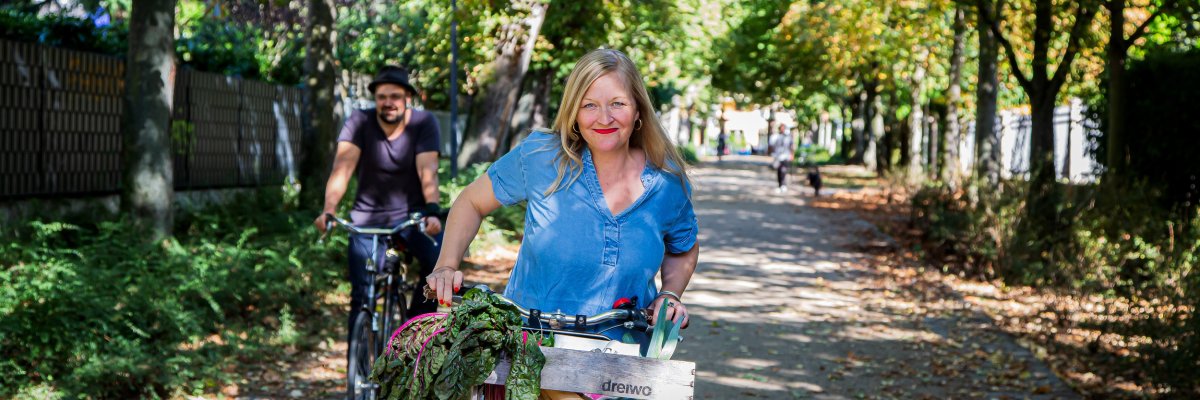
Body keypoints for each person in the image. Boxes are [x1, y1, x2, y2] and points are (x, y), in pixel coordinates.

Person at [426, 48, 699, 339]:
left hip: (625, 360)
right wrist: (445, 265)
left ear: (638, 110)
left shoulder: (667, 181)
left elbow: (683, 247)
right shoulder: (542, 157)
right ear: (574, 113)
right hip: (528, 352)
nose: (604, 118)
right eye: (589, 105)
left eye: (617, 103)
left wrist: (670, 293)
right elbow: (470, 202)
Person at [312, 66, 445, 330]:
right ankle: (358, 363)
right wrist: (329, 209)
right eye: (382, 96)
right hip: (367, 218)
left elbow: (426, 170)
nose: (388, 102)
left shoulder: (423, 123)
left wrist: (432, 210)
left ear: (407, 97)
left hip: (412, 216)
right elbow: (342, 169)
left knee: (437, 265)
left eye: (395, 96)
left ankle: (414, 328)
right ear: (375, 99)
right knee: (361, 294)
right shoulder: (359, 121)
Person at [768, 124, 794, 193]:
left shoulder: (788, 137)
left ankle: (783, 185)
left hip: (786, 156)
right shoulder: (775, 137)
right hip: (778, 156)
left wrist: (792, 155)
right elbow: (771, 146)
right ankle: (780, 185)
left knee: (783, 170)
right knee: (779, 171)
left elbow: (791, 146)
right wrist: (771, 153)